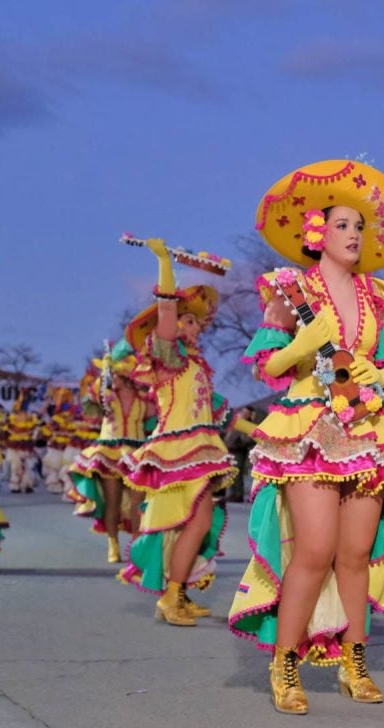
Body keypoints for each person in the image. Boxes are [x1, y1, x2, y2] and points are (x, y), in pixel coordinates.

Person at [229, 159, 384, 714]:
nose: (354, 235)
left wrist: (379, 375)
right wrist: (302, 343)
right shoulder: (290, 290)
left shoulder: (377, 298)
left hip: (365, 429)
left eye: (360, 227)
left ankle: (353, 660)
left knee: (356, 553)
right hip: (308, 429)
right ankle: (284, 664)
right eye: (343, 225)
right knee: (314, 550)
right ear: (317, 233)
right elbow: (268, 366)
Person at [117, 239, 237, 624]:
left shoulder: (198, 367)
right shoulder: (168, 358)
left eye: (199, 322)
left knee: (198, 524)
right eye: (189, 320)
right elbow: (166, 306)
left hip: (200, 450)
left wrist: (278, 433)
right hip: (176, 453)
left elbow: (227, 416)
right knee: (195, 522)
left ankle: (178, 592)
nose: (196, 327)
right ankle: (171, 597)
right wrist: (164, 262)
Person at [68, 341, 147, 563]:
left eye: (118, 375)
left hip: (136, 453)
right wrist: (103, 376)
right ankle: (113, 544)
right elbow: (89, 403)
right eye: (112, 375)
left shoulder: (145, 400)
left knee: (136, 503)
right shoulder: (105, 396)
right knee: (112, 502)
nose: (114, 379)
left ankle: (136, 546)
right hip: (109, 451)